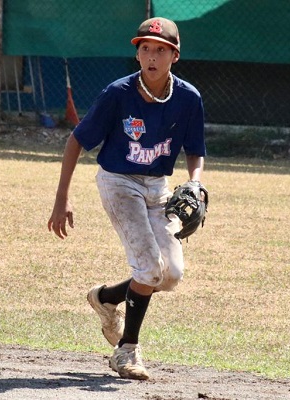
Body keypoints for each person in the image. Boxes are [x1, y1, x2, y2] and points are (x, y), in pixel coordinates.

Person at [47, 17, 206, 380]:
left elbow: (195, 150)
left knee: (171, 276)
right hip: (119, 182)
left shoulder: (187, 98)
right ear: (137, 54)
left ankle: (105, 298)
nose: (151, 56)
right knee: (150, 269)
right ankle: (127, 351)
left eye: (160, 50)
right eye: (145, 48)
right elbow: (77, 140)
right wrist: (62, 198)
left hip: (157, 187)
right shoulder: (118, 93)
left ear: (174, 56)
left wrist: (195, 183)